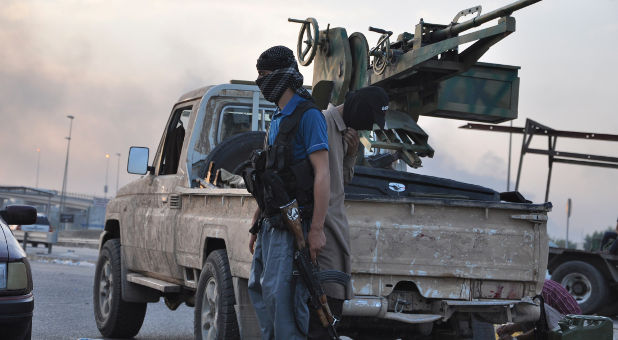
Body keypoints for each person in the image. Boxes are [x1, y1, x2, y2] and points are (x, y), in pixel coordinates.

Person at [247, 45, 330, 340]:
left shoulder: (309, 116)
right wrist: (256, 224)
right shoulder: (277, 118)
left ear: (282, 76)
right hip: (272, 223)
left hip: (294, 223)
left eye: (265, 75)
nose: (261, 82)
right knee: (259, 289)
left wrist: (317, 229)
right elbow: (269, 178)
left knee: (283, 299)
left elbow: (323, 173)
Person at [307, 86, 389, 339]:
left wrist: (351, 155)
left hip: (336, 228)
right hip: (323, 229)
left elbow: (340, 182)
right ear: (358, 110)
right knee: (324, 303)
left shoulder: (348, 134)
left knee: (334, 303)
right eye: (369, 119)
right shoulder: (320, 122)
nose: (367, 128)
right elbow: (313, 179)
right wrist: (316, 229)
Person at [497, 279, 581, 340]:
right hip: (563, 324)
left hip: (572, 330)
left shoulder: (540, 295)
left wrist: (515, 339)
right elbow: (533, 321)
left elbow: (543, 330)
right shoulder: (532, 287)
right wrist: (512, 328)